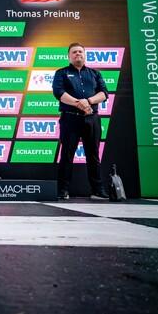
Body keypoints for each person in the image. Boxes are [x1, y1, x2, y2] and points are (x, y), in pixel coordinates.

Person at [52, 42, 109, 200]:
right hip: (70, 118)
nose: (78, 54)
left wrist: (88, 101)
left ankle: (97, 190)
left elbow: (104, 93)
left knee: (93, 155)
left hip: (92, 119)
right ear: (69, 56)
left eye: (80, 52)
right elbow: (58, 92)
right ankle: (63, 190)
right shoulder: (61, 73)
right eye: (74, 52)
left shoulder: (95, 73)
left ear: (84, 55)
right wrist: (79, 103)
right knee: (67, 155)